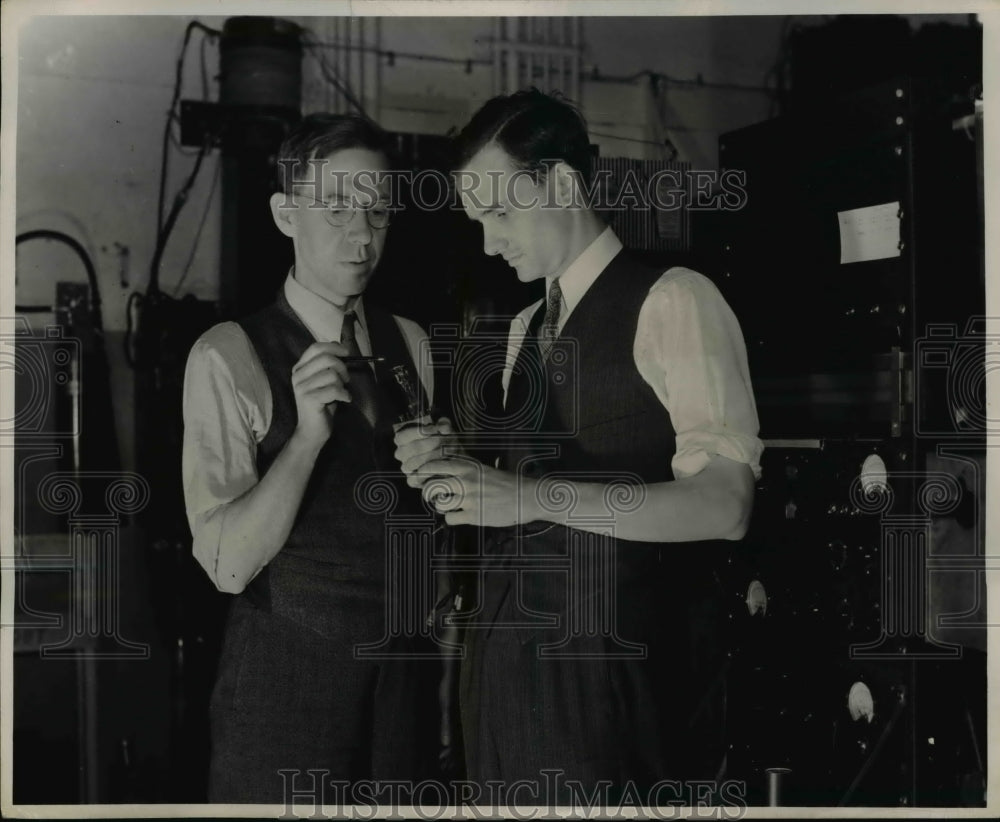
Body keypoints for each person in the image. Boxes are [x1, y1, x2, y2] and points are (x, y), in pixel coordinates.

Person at [394, 89, 763, 804]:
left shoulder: (676, 299)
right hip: (502, 686)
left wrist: (526, 495)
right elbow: (521, 491)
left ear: (562, 182)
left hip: (612, 697)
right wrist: (460, 466)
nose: (489, 242)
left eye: (499, 213)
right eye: (476, 221)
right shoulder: (522, 327)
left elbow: (726, 503)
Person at [182, 113, 438, 803]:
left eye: (378, 211)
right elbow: (228, 566)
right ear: (285, 213)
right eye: (338, 209)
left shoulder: (408, 343)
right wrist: (303, 442)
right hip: (285, 689)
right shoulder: (226, 355)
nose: (362, 235)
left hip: (402, 689)